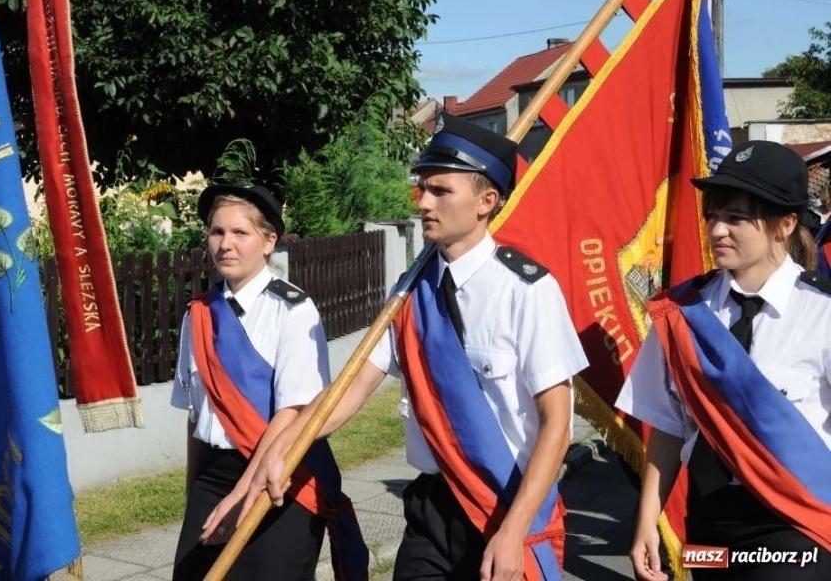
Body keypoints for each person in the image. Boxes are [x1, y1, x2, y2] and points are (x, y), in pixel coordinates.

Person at [240, 113, 589, 580]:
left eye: (440, 191)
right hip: (432, 509)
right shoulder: (409, 293)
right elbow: (350, 389)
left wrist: (514, 530)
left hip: (505, 504)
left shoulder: (526, 291)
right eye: (422, 188)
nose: (423, 201)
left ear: (486, 201)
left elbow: (557, 424)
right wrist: (282, 451)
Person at [616, 140, 831, 580]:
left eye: (735, 218)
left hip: (795, 524)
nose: (717, 230)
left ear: (785, 224)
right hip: (708, 524)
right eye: (713, 216)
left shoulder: (822, 312)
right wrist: (647, 521)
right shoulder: (681, 311)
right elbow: (668, 426)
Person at [170, 184, 367, 580]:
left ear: (268, 242)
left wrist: (242, 493)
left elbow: (292, 413)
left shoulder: (292, 310)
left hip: (281, 477)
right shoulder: (198, 314)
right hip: (213, 475)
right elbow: (195, 417)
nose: (226, 244)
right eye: (217, 232)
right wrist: (194, 492)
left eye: (240, 233)